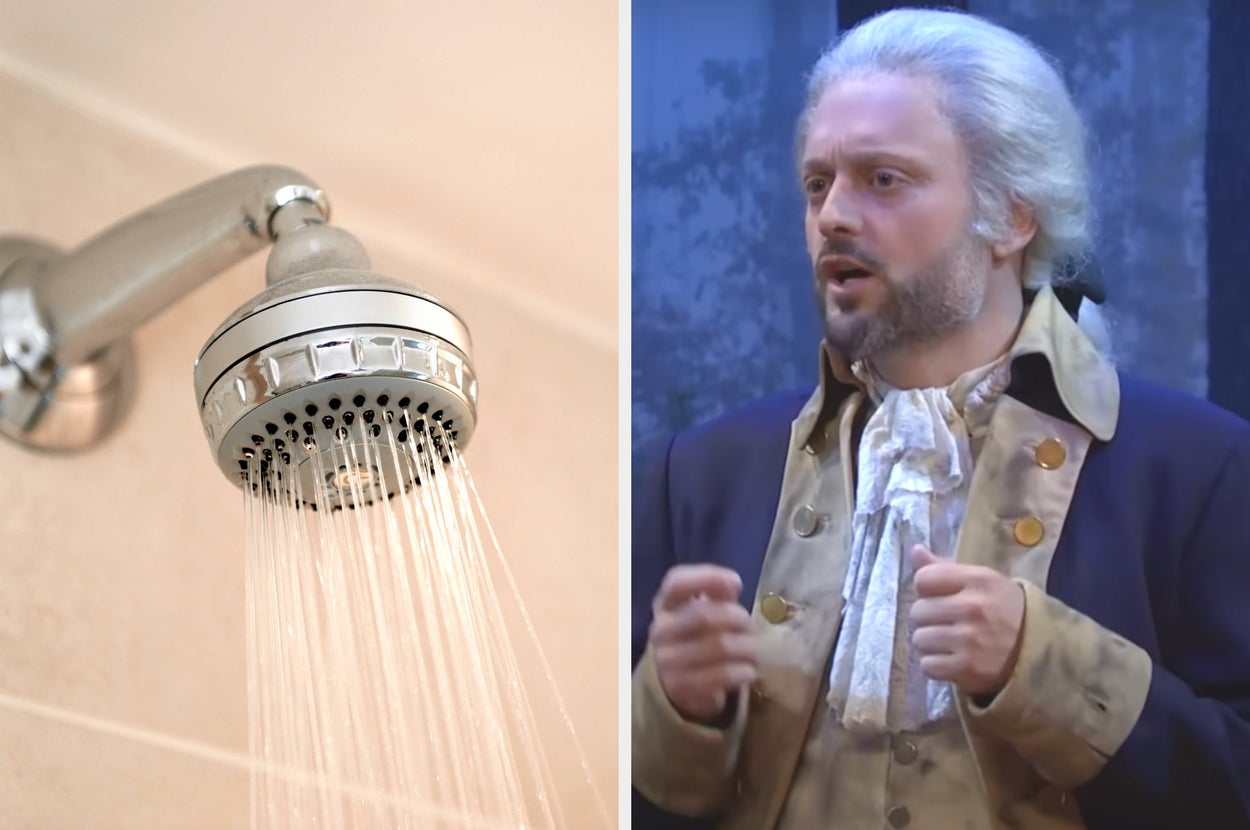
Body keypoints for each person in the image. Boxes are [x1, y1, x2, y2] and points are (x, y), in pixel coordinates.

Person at [630, 8, 1250, 830]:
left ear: (1011, 215)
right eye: (819, 183)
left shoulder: (1199, 468)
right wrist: (672, 707)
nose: (833, 217)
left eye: (883, 178)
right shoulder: (700, 475)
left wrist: (1044, 666)